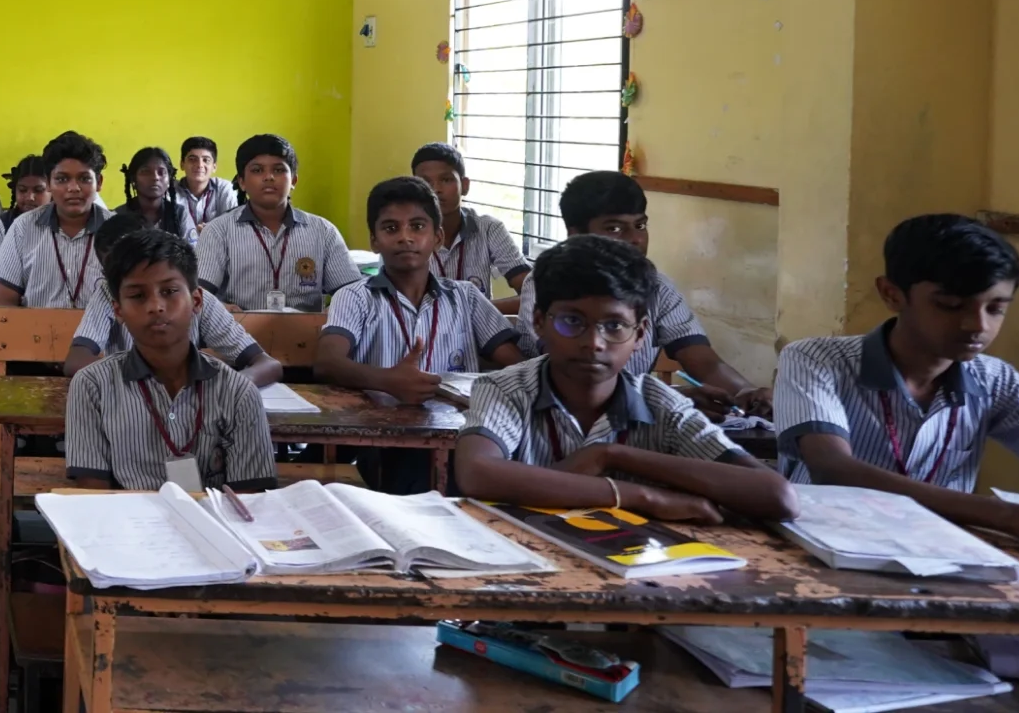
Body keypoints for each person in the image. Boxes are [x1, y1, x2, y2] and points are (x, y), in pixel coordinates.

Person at [776, 214, 1019, 563]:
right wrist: (1015, 516)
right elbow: (833, 468)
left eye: (996, 308)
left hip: (943, 557)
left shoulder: (995, 380)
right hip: (823, 551)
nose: (977, 325)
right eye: (950, 305)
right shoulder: (816, 359)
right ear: (892, 294)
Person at [454, 237, 797, 523]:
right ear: (539, 322)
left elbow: (777, 496)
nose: (594, 342)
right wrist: (640, 496)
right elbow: (477, 472)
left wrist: (612, 455)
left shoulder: (663, 406)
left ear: (640, 334)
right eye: (572, 322)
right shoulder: (504, 390)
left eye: (614, 325)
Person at [504, 171, 767, 417]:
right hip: (545, 417)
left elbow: (703, 360)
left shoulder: (658, 287)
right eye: (614, 228)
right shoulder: (545, 283)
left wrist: (746, 392)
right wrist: (669, 397)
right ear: (575, 235)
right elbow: (576, 375)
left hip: (631, 421)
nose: (635, 239)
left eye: (640, 225)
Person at [314, 178, 513, 493]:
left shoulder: (466, 296)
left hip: (461, 436)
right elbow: (327, 362)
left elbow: (515, 363)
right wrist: (387, 381)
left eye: (417, 227)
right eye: (391, 228)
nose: (405, 237)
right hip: (384, 441)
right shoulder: (354, 297)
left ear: (437, 237)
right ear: (375, 240)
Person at [64, 228, 281, 493]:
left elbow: (248, 501)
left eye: (169, 291)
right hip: (127, 518)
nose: (156, 306)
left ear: (197, 301)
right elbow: (94, 497)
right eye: (138, 296)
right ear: (118, 310)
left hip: (213, 519)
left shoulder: (238, 393)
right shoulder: (91, 386)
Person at [65, 214, 283, 387]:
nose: (156, 306)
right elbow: (76, 361)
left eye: (168, 291)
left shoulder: (195, 297)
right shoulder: (108, 294)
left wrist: (231, 387)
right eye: (116, 270)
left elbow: (267, 364)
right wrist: (141, 383)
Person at [195, 134, 359, 312]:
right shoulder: (218, 231)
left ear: (293, 180)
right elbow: (198, 295)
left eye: (279, 170)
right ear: (241, 182)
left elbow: (354, 293)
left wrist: (335, 310)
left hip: (308, 329)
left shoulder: (323, 231)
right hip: (237, 328)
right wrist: (221, 308)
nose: (269, 177)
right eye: (257, 170)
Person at [0, 132, 111, 310]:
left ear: (98, 182)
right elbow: (3, 305)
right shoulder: (23, 227)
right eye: (62, 179)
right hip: (35, 328)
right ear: (48, 183)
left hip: (102, 329)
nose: (73, 188)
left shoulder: (119, 231)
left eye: (84, 179)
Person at [410, 142, 529, 309]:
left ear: (464, 186)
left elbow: (534, 294)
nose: (436, 189)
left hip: (479, 326)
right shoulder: (406, 236)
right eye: (425, 182)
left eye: (446, 180)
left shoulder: (488, 229)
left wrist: (475, 311)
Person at [0, 155, 49, 263]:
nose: (30, 197)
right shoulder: (1, 225)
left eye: (38, 190)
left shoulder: (65, 224)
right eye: (22, 190)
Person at [174, 136, 239, 240]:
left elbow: (232, 228)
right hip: (180, 248)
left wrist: (213, 231)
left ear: (214, 167)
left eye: (206, 160)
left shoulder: (224, 188)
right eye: (192, 159)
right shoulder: (171, 190)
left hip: (217, 247)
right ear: (182, 164)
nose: (199, 165)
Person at [115, 145, 184, 239]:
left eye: (161, 172)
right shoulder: (118, 216)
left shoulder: (180, 213)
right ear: (133, 179)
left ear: (169, 180)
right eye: (146, 172)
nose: (155, 177)